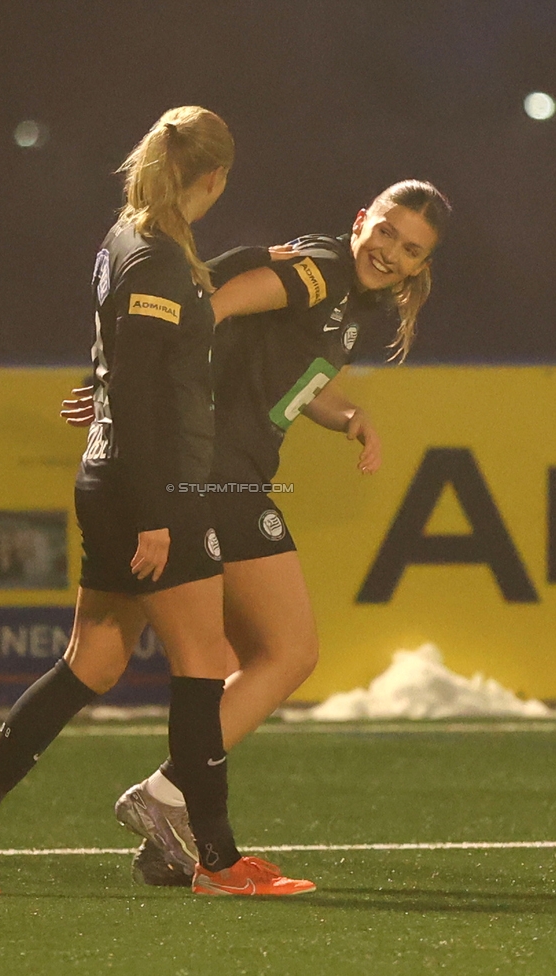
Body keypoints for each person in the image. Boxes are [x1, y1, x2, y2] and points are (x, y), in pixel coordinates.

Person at [0, 106, 315, 899]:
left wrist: (100, 396)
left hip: (113, 474)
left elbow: (129, 361)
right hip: (155, 484)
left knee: (92, 662)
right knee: (205, 665)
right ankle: (217, 861)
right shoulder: (161, 262)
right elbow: (140, 387)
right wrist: (157, 515)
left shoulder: (128, 237)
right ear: (215, 178)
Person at [62, 179, 452, 886]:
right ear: (361, 219)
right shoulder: (325, 269)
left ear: (423, 267)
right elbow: (215, 305)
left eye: (411, 248)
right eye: (387, 231)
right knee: (286, 651)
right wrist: (132, 375)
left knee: (194, 658)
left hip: (223, 468)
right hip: (214, 469)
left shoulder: (356, 304)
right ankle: (166, 799)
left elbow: (297, 381)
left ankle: (167, 824)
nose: (391, 251)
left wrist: (347, 415)